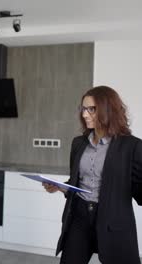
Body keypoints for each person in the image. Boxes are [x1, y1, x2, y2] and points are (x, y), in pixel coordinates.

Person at [43, 86, 142, 264]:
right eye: (83, 109)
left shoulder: (131, 146)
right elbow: (79, 182)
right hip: (79, 216)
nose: (85, 114)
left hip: (114, 222)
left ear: (108, 110)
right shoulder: (78, 143)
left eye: (92, 109)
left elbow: (139, 191)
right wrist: (60, 187)